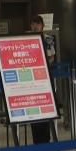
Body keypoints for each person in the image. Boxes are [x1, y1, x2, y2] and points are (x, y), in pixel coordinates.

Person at [29, 16, 56, 144]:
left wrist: (43, 67)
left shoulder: (48, 39)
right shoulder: (26, 40)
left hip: (44, 78)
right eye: (33, 24)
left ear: (42, 25)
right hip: (31, 79)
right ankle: (36, 139)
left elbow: (52, 57)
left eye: (38, 24)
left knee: (45, 106)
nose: (35, 26)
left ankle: (45, 138)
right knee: (33, 108)